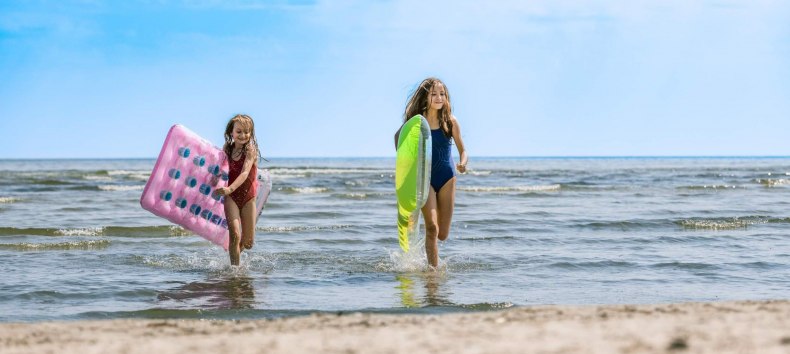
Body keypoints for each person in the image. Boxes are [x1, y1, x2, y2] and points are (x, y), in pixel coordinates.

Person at [395, 77, 468, 268]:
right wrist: (408, 166)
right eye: (433, 94)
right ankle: (432, 274)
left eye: (442, 94)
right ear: (425, 97)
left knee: (442, 233)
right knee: (432, 228)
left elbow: (463, 150)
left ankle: (430, 263)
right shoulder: (417, 123)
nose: (438, 97)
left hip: (447, 177)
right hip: (424, 178)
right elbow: (398, 138)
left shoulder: (450, 122)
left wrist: (462, 163)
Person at [215, 114, 261, 266]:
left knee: (248, 243)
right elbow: (221, 168)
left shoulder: (251, 150)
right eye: (239, 131)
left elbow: (245, 173)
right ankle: (234, 271)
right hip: (232, 197)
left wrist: (230, 188)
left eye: (247, 132)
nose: (243, 135)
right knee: (234, 235)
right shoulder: (227, 149)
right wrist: (214, 179)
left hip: (248, 198)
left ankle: (232, 256)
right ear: (231, 133)